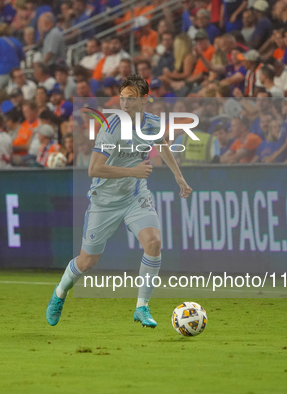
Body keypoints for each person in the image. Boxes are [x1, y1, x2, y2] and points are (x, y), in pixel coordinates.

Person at [46, 75, 193, 328]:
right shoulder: (112, 126)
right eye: (122, 98)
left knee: (154, 242)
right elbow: (94, 169)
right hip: (104, 200)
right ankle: (60, 292)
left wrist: (179, 177)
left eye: (131, 99)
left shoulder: (153, 123)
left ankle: (142, 307)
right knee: (87, 261)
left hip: (136, 196)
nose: (124, 104)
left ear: (144, 100)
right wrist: (133, 171)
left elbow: (164, 145)